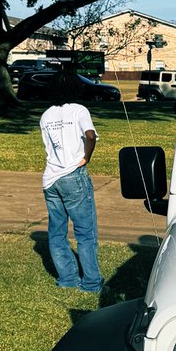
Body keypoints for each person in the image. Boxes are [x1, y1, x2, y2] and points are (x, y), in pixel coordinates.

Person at [40, 75, 103, 293]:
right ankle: (92, 283)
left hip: (51, 179)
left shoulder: (46, 115)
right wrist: (87, 156)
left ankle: (67, 279)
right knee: (85, 232)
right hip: (74, 176)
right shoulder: (79, 110)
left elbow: (49, 147)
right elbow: (90, 135)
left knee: (57, 232)